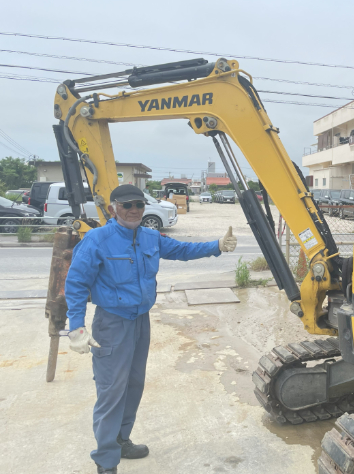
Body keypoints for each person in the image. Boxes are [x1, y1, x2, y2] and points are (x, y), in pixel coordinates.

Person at [65, 184, 238, 474]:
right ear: (113, 209)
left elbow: (183, 250)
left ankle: (121, 440)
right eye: (127, 205)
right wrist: (76, 327)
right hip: (111, 324)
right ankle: (106, 462)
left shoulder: (149, 237)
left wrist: (217, 246)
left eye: (139, 205)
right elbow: (76, 283)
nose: (133, 210)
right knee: (111, 392)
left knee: (134, 386)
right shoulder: (97, 240)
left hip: (140, 323)